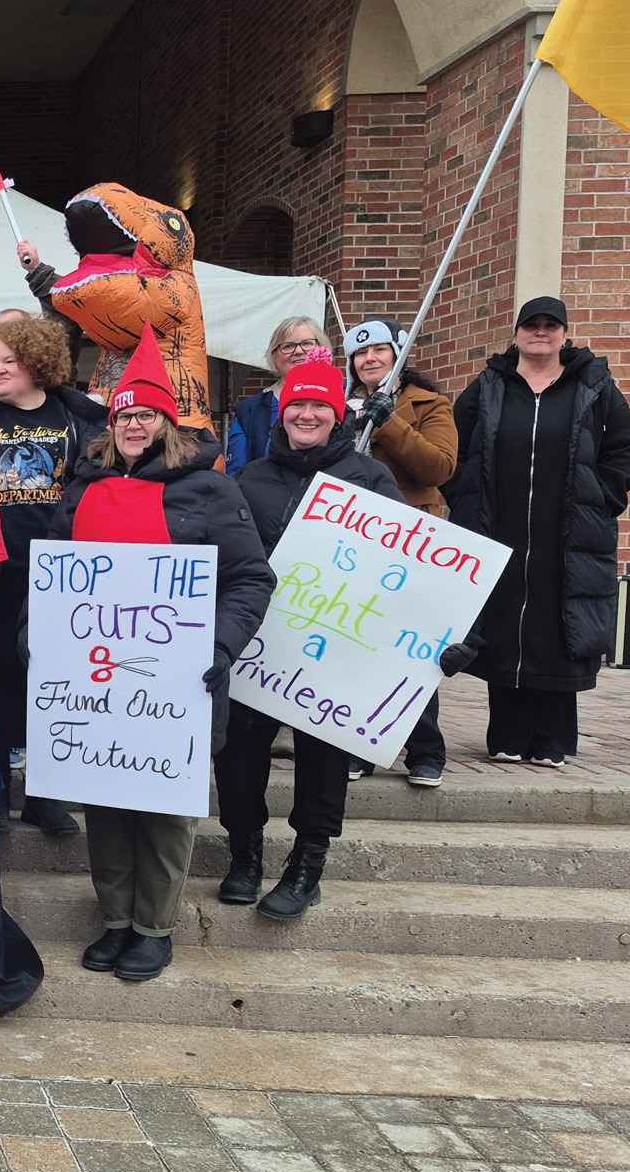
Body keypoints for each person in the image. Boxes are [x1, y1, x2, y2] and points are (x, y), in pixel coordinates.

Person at [53, 336, 274, 982]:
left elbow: (250, 579)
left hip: (176, 679)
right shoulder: (81, 488)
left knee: (164, 809)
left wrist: (220, 644)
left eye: (145, 414)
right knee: (105, 799)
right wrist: (35, 642)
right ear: (110, 422)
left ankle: (153, 927)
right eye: (122, 415)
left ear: (167, 423)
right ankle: (114, 919)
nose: (132, 425)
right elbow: (55, 581)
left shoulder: (208, 490)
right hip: (94, 679)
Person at [220, 350, 400, 918]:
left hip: (332, 648)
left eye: (319, 403)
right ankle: (244, 853)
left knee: (323, 756)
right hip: (257, 643)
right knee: (240, 753)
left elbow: (408, 572)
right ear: (281, 410)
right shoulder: (248, 478)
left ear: (337, 413)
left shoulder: (371, 480)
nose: (306, 413)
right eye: (296, 402)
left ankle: (308, 862)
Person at [449, 297, 630, 767]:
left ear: (564, 333)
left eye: (550, 325)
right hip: (500, 525)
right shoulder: (489, 386)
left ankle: (552, 740)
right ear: (516, 333)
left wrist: (601, 496)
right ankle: (509, 735)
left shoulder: (594, 387)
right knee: (506, 624)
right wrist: (466, 497)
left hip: (569, 530)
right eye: (530, 325)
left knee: (557, 626)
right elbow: (456, 447)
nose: (540, 332)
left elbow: (622, 449)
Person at [0, 316, 107, 837]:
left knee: (52, 686)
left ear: (38, 363)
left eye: (9, 361)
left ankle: (44, 794)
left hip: (60, 576)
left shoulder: (79, 421)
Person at [344, 315, 459, 787]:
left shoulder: (431, 404)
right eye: (360, 353)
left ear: (397, 355)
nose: (370, 360)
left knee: (411, 644)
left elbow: (439, 466)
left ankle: (425, 749)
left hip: (410, 540)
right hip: (353, 539)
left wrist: (389, 423)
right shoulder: (338, 405)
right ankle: (360, 743)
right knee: (356, 642)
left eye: (379, 351)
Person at [226, 317, 330, 475]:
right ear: (274, 356)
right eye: (288, 346)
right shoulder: (249, 411)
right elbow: (237, 473)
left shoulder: (344, 397)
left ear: (322, 349)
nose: (299, 351)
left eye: (307, 343)